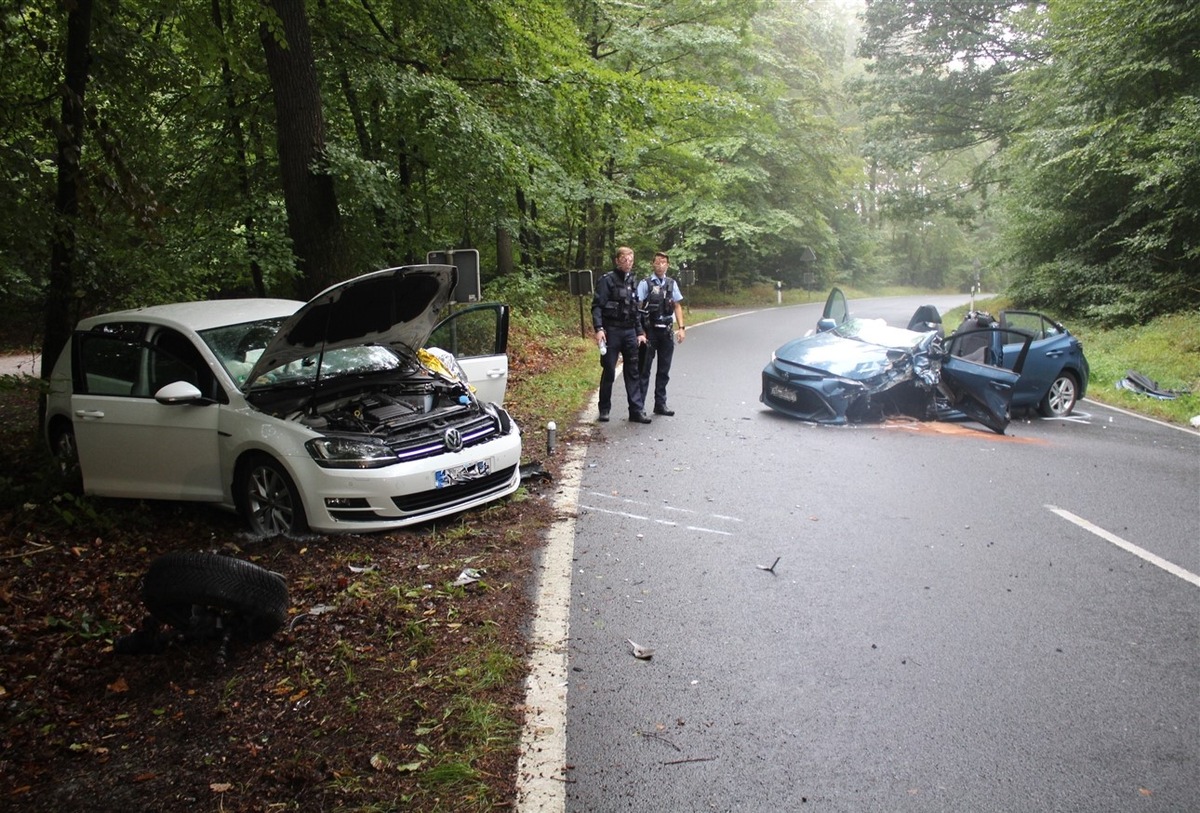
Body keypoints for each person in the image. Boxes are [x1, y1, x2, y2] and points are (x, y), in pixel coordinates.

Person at [592, 246, 651, 423]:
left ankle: (636, 410)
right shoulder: (607, 280)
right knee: (609, 369)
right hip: (612, 330)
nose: (628, 263)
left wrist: (640, 332)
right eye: (624, 260)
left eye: (631, 260)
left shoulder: (632, 280)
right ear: (617, 260)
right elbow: (597, 306)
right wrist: (599, 329)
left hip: (629, 332)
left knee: (633, 371)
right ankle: (604, 409)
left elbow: (635, 309)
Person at [635, 251, 685, 416]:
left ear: (667, 265)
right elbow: (637, 307)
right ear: (653, 264)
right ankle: (639, 406)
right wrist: (639, 331)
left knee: (664, 370)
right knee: (644, 370)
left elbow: (677, 305)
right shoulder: (645, 284)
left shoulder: (672, 283)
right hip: (650, 331)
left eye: (664, 262)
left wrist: (681, 328)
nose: (660, 265)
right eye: (658, 262)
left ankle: (660, 404)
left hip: (666, 332)